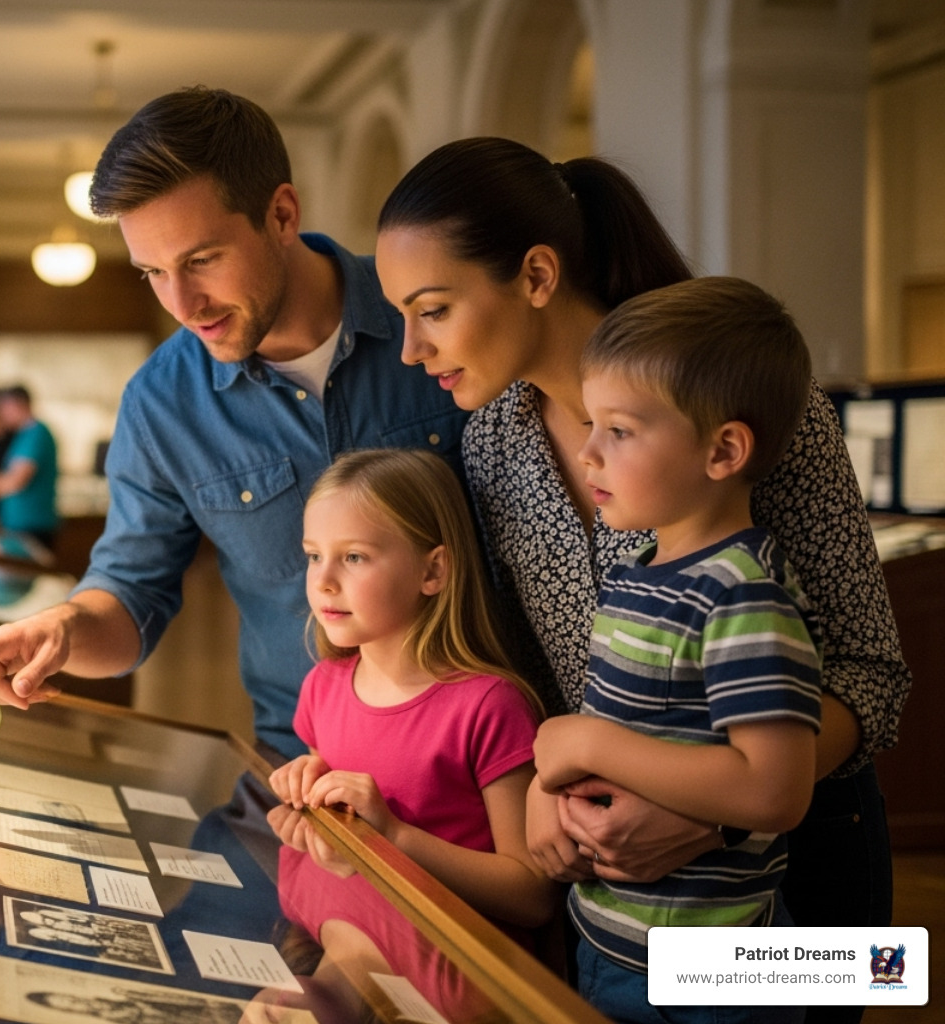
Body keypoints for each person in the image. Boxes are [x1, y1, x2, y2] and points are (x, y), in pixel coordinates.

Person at [374, 137, 907, 1010]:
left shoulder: (751, 409)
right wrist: (542, 795)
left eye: (432, 309)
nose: (409, 349)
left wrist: (719, 806)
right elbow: (536, 674)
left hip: (795, 870)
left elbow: (869, 673)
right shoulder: (492, 444)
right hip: (609, 889)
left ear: (537, 275)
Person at [0, 87, 466, 759]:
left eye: (200, 261)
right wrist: (66, 629)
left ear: (281, 213)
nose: (183, 303)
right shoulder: (161, 405)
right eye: (153, 272)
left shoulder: (428, 319)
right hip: (307, 760)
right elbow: (131, 591)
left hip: (488, 753)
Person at [531, 278, 821, 1023]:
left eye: (619, 432)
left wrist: (585, 739)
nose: (589, 453)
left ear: (723, 449)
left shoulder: (741, 594)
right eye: (590, 425)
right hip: (610, 942)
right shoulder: (635, 575)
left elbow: (773, 792)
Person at [268, 448, 553, 931]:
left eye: (354, 557)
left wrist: (395, 837)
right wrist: (310, 815)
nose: (324, 581)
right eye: (315, 556)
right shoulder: (322, 687)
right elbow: (342, 857)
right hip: (342, 936)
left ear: (433, 571)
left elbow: (532, 894)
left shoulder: (489, 706)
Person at [0, 385, 58, 547]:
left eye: (3, 407)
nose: (1, 413)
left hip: (32, 526)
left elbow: (16, 480)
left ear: (17, 404)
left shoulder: (37, 434)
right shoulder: (22, 435)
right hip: (17, 525)